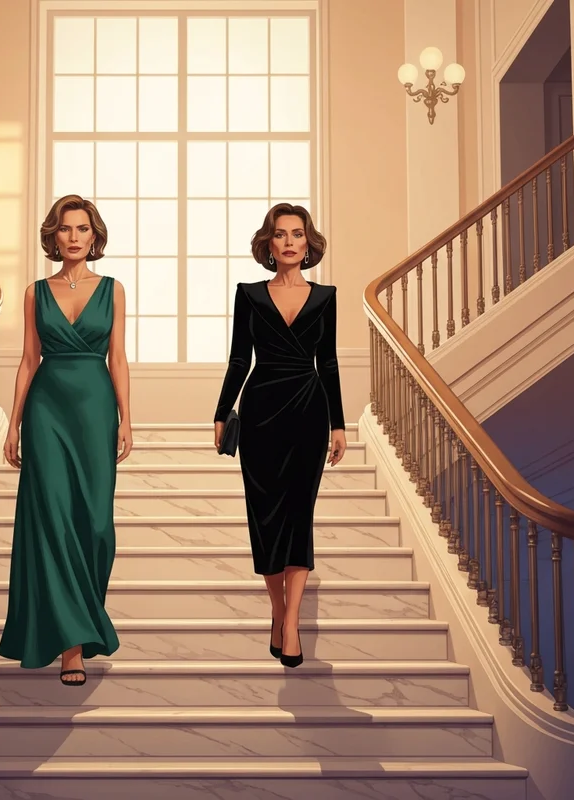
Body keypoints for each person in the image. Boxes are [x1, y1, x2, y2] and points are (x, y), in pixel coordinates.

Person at [0, 194, 133, 686]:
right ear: (53, 236)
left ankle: (85, 616)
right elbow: (28, 360)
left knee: (95, 524)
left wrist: (126, 418)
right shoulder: (35, 292)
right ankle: (70, 647)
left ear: (94, 236)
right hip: (47, 411)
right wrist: (14, 423)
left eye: (82, 229)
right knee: (52, 521)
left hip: (95, 410)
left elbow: (118, 357)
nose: (74, 237)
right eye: (65, 228)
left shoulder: (113, 290)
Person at [213, 202, 346, 668]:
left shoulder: (326, 296)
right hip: (261, 411)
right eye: (281, 234)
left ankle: (290, 624)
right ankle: (277, 609)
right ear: (268, 243)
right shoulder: (249, 295)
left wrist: (338, 424)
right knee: (266, 517)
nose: (289, 241)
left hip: (309, 411)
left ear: (308, 243)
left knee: (298, 516)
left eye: (297, 234)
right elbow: (238, 359)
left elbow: (329, 362)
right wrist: (221, 411)